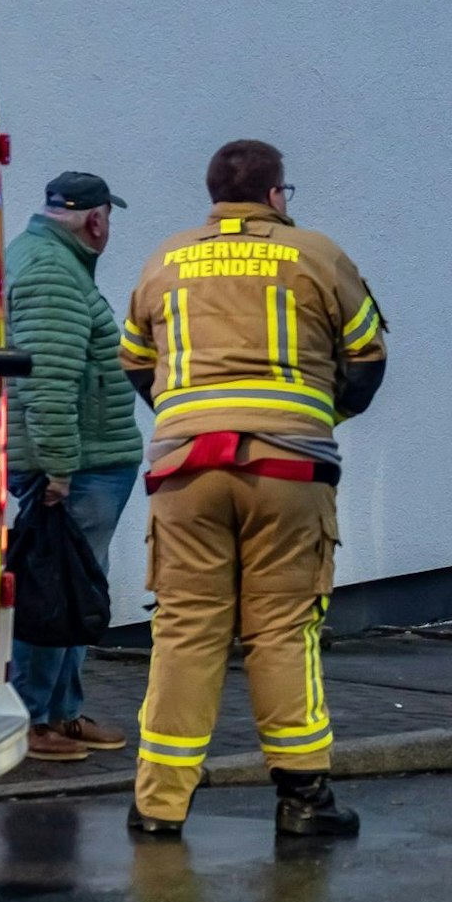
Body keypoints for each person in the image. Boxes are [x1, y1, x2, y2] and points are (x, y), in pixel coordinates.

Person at [119, 140, 388, 837]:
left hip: (184, 471)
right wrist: (319, 418)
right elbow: (367, 358)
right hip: (288, 470)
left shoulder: (164, 260)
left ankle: (157, 806)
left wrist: (186, 421)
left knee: (183, 631)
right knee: (280, 629)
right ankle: (303, 800)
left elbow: (134, 363)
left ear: (214, 197)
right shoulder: (317, 255)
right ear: (276, 195)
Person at [3, 171, 144, 763]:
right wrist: (58, 469)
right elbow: (48, 384)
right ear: (95, 220)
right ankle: (34, 719)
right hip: (74, 468)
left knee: (72, 592)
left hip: (86, 464)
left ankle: (60, 713)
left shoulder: (50, 263)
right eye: (108, 218)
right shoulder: (52, 275)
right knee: (51, 595)